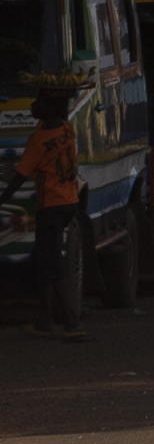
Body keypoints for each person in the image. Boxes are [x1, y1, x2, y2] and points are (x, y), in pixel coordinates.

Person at [9, 87, 86, 342]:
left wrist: (3, 198)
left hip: (50, 206)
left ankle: (69, 321)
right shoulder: (66, 129)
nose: (34, 106)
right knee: (48, 264)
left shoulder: (39, 140)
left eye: (40, 102)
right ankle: (47, 320)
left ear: (50, 107)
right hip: (69, 201)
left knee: (50, 266)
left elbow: (20, 176)